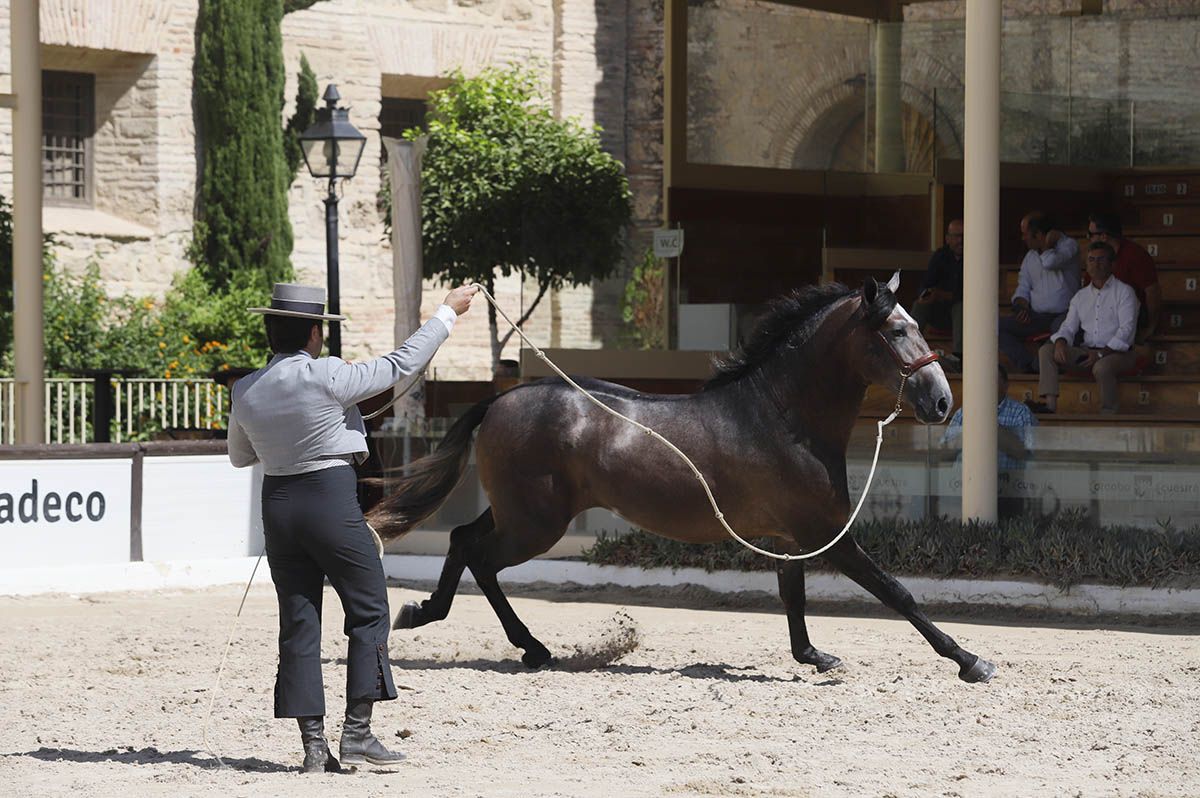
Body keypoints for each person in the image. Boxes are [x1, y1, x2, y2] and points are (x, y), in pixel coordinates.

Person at [227, 282, 478, 773]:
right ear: (314, 333)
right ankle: (358, 733)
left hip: (277, 506)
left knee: (299, 622)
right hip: (328, 500)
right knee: (368, 610)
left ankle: (314, 748)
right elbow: (403, 363)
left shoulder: (246, 387)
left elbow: (241, 457)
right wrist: (447, 313)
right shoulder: (329, 375)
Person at [1031, 242, 1139, 414]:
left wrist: (1101, 353)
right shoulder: (1080, 296)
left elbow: (1126, 331)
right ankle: (1050, 406)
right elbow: (1068, 326)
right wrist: (1060, 341)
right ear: (1086, 265)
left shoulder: (1125, 292)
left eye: (1101, 260)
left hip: (1119, 354)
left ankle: (1108, 413)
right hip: (1087, 353)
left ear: (1112, 264)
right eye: (1091, 260)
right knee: (1047, 350)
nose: (1096, 264)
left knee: (1101, 367)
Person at [941, 364, 1038, 518]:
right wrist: (966, 434)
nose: (986, 385)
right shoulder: (964, 412)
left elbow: (1025, 452)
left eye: (992, 380)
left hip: (1007, 492)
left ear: (1006, 385)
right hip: (964, 490)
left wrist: (989, 424)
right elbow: (944, 453)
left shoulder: (1021, 412)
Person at [998, 212, 1080, 373]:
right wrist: (1021, 308)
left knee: (1062, 333)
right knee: (996, 327)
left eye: (1025, 234)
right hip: (1036, 316)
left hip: (1065, 314)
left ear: (1039, 235)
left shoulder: (1068, 245)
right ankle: (1029, 366)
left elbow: (1050, 262)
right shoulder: (1030, 257)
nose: (1023, 239)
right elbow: (1022, 288)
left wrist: (1048, 244)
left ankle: (1050, 369)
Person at [1087, 211, 1161, 343]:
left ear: (1104, 236)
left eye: (1091, 235)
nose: (1088, 238)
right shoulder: (1094, 257)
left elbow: (1152, 291)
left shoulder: (1135, 255)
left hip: (1131, 316)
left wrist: (1151, 327)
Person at [912, 218, 964, 361]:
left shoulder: (974, 258)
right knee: (919, 304)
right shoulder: (941, 255)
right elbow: (926, 282)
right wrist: (924, 294)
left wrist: (941, 294)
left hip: (963, 315)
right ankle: (909, 347)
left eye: (964, 236)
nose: (961, 241)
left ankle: (958, 357)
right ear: (948, 238)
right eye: (957, 236)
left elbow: (966, 295)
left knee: (961, 307)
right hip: (939, 311)